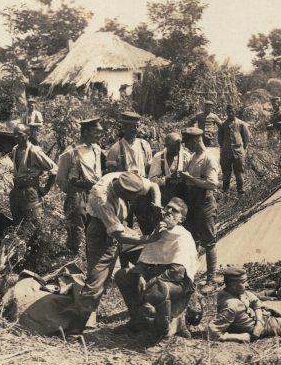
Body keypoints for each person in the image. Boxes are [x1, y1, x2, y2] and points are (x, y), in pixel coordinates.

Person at [65, 172, 164, 334]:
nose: (133, 201)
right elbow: (120, 237)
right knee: (96, 284)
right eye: (131, 198)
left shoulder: (129, 180)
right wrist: (149, 238)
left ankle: (141, 313)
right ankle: (75, 330)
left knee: (153, 258)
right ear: (120, 192)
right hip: (101, 233)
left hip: (120, 226)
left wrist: (157, 206)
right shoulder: (102, 198)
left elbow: (153, 186)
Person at [113, 197, 200, 340]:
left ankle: (162, 331)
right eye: (168, 208)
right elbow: (144, 260)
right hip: (158, 277)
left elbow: (177, 273)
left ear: (181, 219)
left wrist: (149, 281)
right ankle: (138, 319)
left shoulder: (183, 236)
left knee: (158, 287)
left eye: (175, 210)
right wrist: (141, 276)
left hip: (178, 284)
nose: (169, 212)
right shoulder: (158, 231)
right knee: (123, 275)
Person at [55, 118, 105, 255]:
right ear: (86, 132)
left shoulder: (96, 149)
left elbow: (98, 174)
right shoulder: (70, 152)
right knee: (75, 232)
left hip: (93, 195)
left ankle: (89, 261)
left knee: (93, 231)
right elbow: (60, 179)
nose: (99, 135)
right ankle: (72, 262)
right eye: (96, 132)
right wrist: (73, 194)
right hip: (76, 196)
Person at [179, 127, 221, 290]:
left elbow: (212, 184)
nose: (187, 146)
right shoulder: (192, 157)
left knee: (209, 241)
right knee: (191, 239)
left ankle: (211, 279)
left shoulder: (208, 158)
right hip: (191, 202)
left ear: (196, 140)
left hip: (204, 202)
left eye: (188, 142)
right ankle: (190, 275)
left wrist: (190, 178)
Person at [106, 111, 156, 234]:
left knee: (147, 225)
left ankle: (148, 250)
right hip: (125, 192)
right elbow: (110, 175)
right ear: (124, 127)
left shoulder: (144, 145)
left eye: (136, 126)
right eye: (131, 126)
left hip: (142, 192)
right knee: (124, 225)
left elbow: (149, 167)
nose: (134, 129)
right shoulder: (115, 149)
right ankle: (126, 251)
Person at [9, 123, 57, 225]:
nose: (16, 136)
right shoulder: (15, 149)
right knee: (18, 224)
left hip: (29, 192)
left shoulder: (34, 151)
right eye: (14, 134)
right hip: (16, 191)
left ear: (28, 135)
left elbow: (54, 169)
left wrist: (45, 189)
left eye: (19, 134)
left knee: (33, 224)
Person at [148, 132, 191, 204]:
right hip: (165, 197)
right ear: (166, 146)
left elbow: (192, 176)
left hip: (182, 197)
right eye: (173, 149)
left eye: (178, 148)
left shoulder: (186, 156)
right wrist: (168, 178)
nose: (177, 151)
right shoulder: (158, 158)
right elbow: (151, 181)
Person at [218, 104, 251, 193]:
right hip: (226, 152)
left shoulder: (241, 124)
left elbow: (246, 138)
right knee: (226, 172)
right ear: (226, 113)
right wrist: (224, 147)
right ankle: (225, 191)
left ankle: (241, 190)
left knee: (239, 171)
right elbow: (220, 139)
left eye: (232, 111)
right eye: (228, 112)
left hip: (238, 152)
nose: (230, 113)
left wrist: (243, 149)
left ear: (235, 112)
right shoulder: (222, 125)